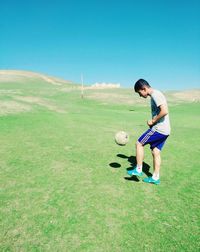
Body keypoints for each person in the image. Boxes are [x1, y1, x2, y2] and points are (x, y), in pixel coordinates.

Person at [127, 79, 171, 185]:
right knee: (155, 151)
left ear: (144, 88)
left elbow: (164, 111)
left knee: (139, 143)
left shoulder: (155, 94)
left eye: (139, 92)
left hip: (159, 129)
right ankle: (155, 177)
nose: (140, 95)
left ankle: (138, 169)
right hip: (166, 130)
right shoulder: (155, 95)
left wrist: (153, 121)